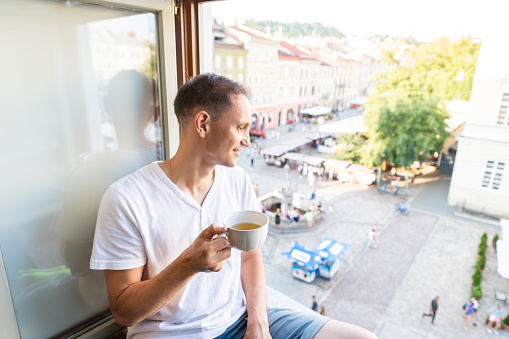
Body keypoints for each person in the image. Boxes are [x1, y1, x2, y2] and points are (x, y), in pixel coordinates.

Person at [90, 73, 377, 339]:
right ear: (203, 124)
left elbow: (250, 257)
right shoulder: (125, 198)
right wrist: (187, 265)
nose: (248, 141)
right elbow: (124, 312)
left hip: (238, 319)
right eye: (240, 127)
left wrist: (258, 321)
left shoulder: (237, 179)